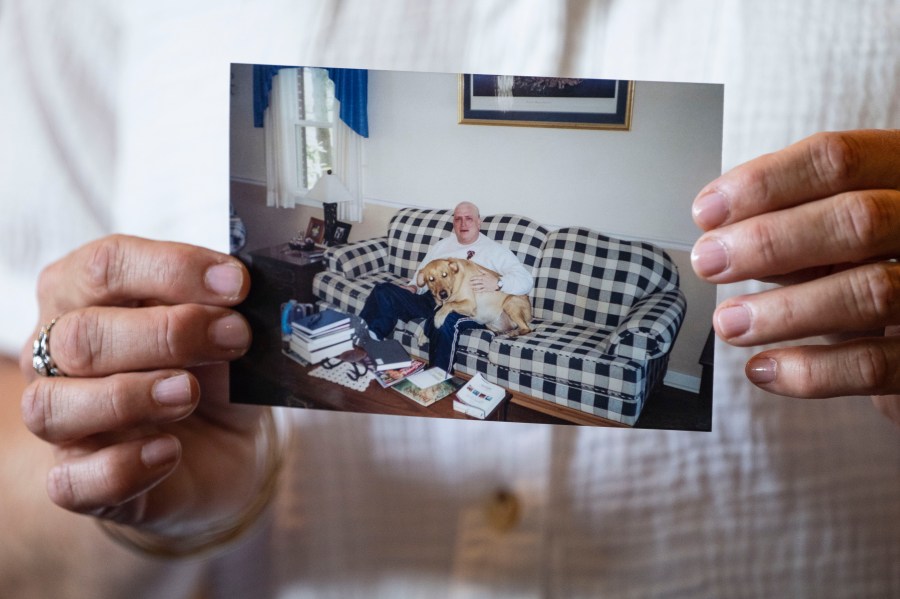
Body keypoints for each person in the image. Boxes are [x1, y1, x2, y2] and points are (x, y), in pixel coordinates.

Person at [1, 1, 898, 598]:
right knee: (397, 298)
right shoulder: (434, 234)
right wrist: (116, 472)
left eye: (469, 214)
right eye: (461, 211)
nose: (465, 217)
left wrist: (476, 285)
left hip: (492, 312)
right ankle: (386, 355)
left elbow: (519, 290)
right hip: (405, 340)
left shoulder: (507, 245)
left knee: (447, 314)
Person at [360, 201, 533, 372]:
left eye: (469, 219)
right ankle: (368, 343)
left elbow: (526, 280)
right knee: (383, 291)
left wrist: (498, 283)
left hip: (471, 306)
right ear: (453, 223)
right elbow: (423, 273)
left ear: (479, 222)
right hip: (434, 298)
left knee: (446, 321)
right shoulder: (441, 246)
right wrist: (414, 287)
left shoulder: (495, 250)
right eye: (458, 219)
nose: (463, 224)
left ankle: (437, 377)